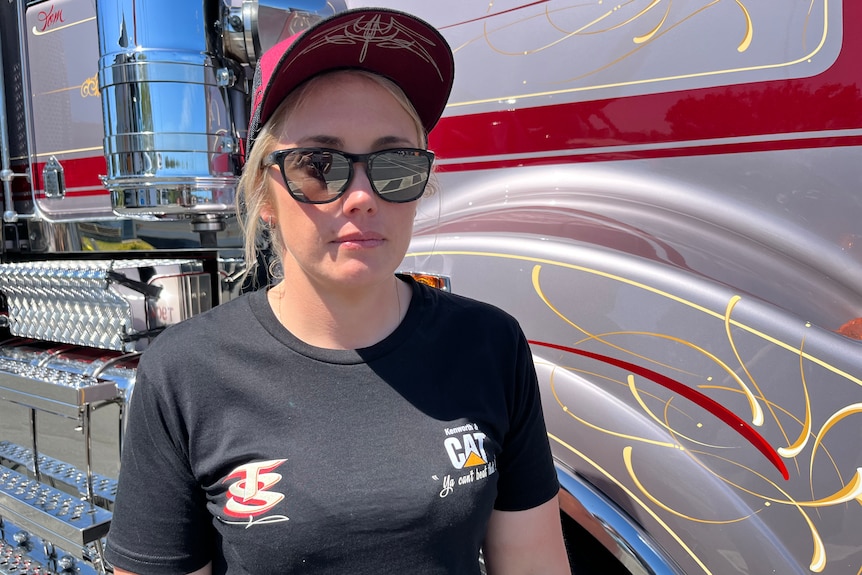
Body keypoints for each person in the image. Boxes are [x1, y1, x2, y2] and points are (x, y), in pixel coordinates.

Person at [104, 7, 570, 575]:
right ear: (265, 197)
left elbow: (535, 564)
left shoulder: (490, 343)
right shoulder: (185, 372)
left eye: (394, 164)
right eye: (318, 164)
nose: (361, 197)